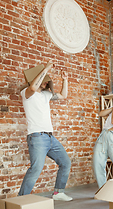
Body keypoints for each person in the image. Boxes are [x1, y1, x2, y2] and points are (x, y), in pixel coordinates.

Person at [18, 62, 73, 201]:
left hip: (49, 137)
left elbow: (63, 95)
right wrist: (46, 68)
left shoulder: (46, 95)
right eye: (44, 79)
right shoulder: (26, 94)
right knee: (36, 169)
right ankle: (21, 199)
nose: (46, 82)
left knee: (65, 162)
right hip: (37, 137)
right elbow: (32, 87)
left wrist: (64, 79)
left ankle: (58, 193)